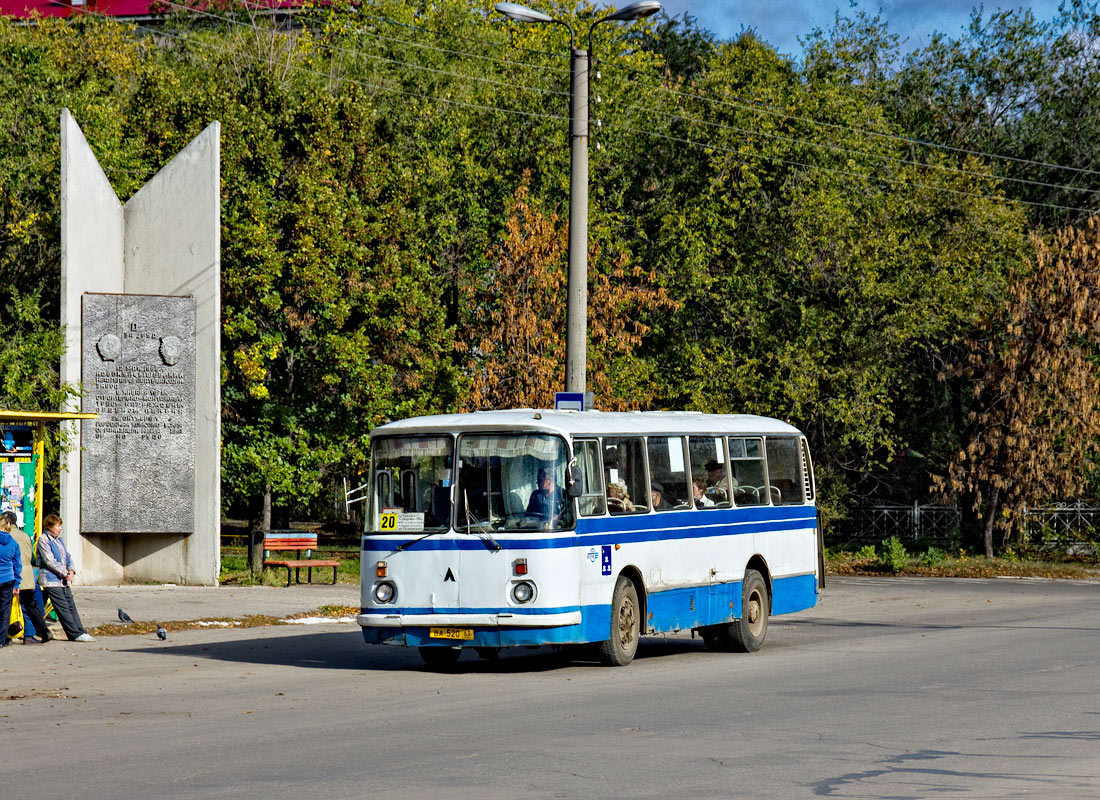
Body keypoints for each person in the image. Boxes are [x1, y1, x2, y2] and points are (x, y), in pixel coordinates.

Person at [36, 514, 94, 642]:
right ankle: (74, 634)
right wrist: (65, 573)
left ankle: (80, 630)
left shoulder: (58, 540)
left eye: (60, 526)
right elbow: (49, 560)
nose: (60, 528)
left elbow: (67, 556)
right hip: (51, 580)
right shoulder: (43, 539)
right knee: (62, 608)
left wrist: (71, 570)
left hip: (63, 580)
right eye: (58, 526)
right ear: (50, 526)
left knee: (70, 605)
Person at [0, 512, 48, 644]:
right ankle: (30, 634)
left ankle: (7, 636)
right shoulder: (25, 536)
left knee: (8, 607)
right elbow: (31, 557)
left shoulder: (7, 537)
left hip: (8, 576)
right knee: (27, 606)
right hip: (25, 576)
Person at [0, 515, 19, 650]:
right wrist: (17, 584)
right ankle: (1, 640)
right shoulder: (14, 543)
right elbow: (17, 565)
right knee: (4, 610)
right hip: (8, 579)